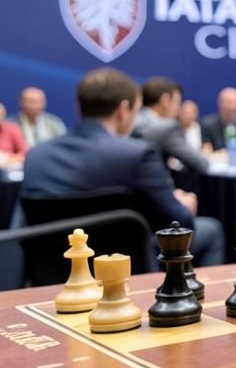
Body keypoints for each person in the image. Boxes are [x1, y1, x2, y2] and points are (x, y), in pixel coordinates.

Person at [21, 68, 224, 266]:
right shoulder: (137, 155)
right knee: (212, 230)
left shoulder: (36, 156)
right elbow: (179, 223)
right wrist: (182, 206)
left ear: (78, 108)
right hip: (126, 272)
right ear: (124, 109)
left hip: (56, 275)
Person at [133, 77, 209, 178]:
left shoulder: (131, 121)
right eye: (177, 102)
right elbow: (201, 163)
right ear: (165, 100)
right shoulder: (167, 127)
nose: (178, 109)